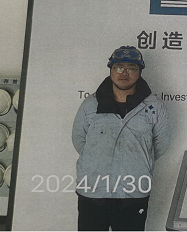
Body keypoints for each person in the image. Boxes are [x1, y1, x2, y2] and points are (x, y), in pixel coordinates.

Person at [72, 46, 170, 231]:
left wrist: (137, 160)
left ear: (139, 72)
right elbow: (79, 140)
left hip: (132, 193)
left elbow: (160, 144)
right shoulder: (91, 104)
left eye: (132, 68)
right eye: (118, 67)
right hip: (93, 191)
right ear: (111, 70)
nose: (124, 73)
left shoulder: (154, 106)